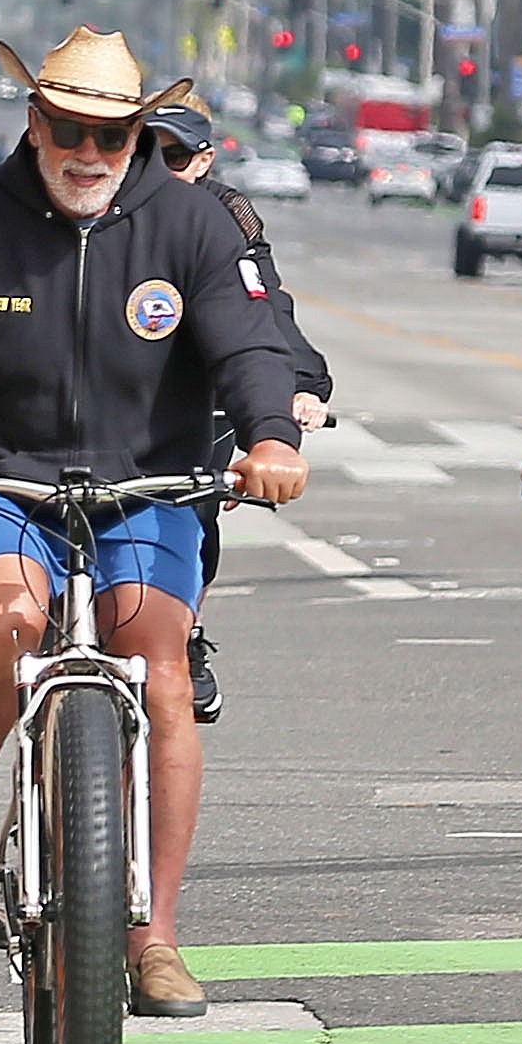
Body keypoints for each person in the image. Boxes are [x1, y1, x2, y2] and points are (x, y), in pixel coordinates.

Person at [0, 27, 308, 1018]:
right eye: (68, 128)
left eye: (110, 133)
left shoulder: (192, 228)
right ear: (34, 121)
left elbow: (248, 345)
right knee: (9, 618)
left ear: (139, 132)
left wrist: (270, 437)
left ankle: (154, 939)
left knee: (162, 655)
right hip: (0, 481)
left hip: (150, 485)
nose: (88, 153)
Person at [150, 91, 332, 722]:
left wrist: (297, 389)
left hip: (196, 399)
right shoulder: (87, 209)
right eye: (140, 148)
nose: (153, 166)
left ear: (202, 160)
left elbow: (263, 311)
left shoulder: (226, 217)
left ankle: (184, 631)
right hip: (97, 404)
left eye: (171, 155)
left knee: (192, 515)